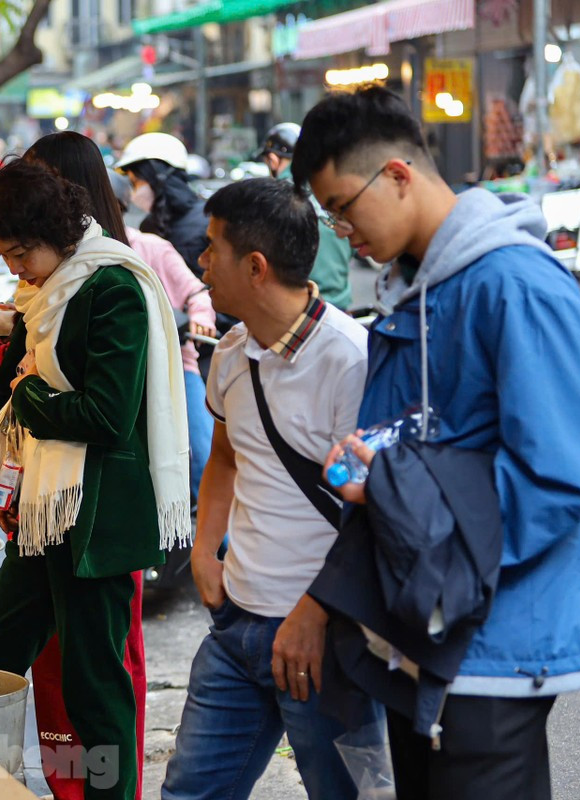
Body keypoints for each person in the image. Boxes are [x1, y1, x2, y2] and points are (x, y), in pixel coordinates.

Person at [293, 84, 580, 800]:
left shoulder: (517, 286)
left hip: (489, 641)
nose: (341, 233)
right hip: (419, 635)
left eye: (342, 208)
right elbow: (408, 449)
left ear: (396, 175)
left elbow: (561, 474)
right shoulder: (411, 292)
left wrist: (404, 506)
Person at [0, 159, 191, 800]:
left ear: (53, 233)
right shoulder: (45, 294)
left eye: (18, 252)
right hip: (46, 513)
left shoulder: (113, 286)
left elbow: (106, 415)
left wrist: (29, 392)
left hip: (97, 520)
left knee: (96, 685)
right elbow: (15, 379)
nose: (13, 268)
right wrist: (15, 361)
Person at [161, 178, 380, 800]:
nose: (200, 262)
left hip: (323, 640)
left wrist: (314, 614)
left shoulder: (352, 360)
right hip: (236, 628)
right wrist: (205, 552)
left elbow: (375, 511)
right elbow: (226, 458)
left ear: (255, 267)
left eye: (211, 248)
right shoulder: (230, 352)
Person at [108, 168, 215, 501]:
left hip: (174, 367)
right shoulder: (77, 259)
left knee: (202, 454)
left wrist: (200, 317)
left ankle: (221, 547)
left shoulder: (152, 247)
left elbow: (197, 294)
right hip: (118, 376)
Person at [258, 123, 353, 310]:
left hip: (301, 309)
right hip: (343, 307)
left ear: (273, 160)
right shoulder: (328, 188)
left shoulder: (277, 197)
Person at [115, 132, 209, 276]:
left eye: (136, 183)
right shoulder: (148, 226)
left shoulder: (207, 221)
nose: (135, 193)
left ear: (157, 176)